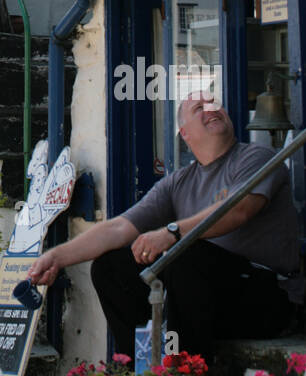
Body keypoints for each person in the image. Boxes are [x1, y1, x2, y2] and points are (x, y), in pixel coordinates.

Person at [27, 93, 300, 359]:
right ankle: (137, 373)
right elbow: (119, 228)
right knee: (111, 267)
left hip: (265, 297)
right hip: (208, 302)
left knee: (185, 255)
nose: (211, 109)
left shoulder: (256, 157)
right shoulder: (179, 182)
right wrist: (56, 256)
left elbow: (239, 210)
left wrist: (171, 233)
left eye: (214, 104)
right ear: (185, 133)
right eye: (199, 108)